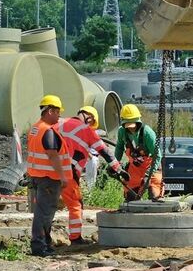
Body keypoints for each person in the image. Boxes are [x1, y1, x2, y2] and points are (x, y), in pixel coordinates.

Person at [57, 105, 128, 244]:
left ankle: (42, 238)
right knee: (76, 205)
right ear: (89, 118)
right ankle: (75, 238)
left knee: (45, 207)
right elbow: (105, 152)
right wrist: (119, 170)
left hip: (48, 172)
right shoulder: (87, 130)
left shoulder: (58, 123)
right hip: (68, 174)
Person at [26, 94, 72, 257]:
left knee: (43, 210)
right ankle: (39, 245)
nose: (59, 116)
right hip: (49, 178)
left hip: (38, 176)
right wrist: (63, 177)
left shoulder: (36, 128)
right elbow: (52, 155)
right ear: (50, 111)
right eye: (58, 112)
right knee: (44, 212)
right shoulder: (48, 131)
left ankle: (45, 242)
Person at [115, 104, 163, 201]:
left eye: (133, 125)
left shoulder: (148, 133)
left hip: (151, 166)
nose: (131, 128)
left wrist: (148, 174)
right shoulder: (122, 132)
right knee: (130, 199)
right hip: (134, 169)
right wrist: (115, 165)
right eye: (127, 126)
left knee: (156, 197)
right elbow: (119, 148)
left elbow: (157, 155)